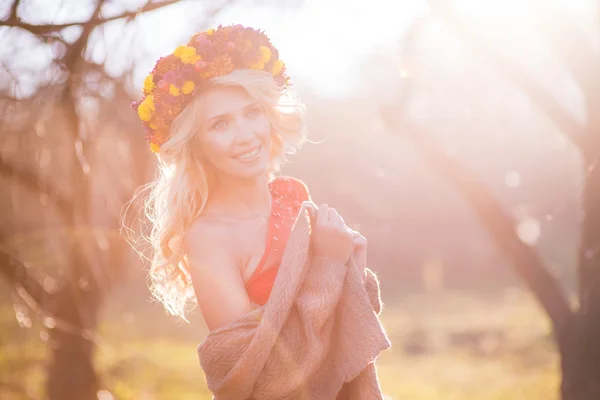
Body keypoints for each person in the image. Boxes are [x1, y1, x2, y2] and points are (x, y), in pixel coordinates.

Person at [127, 24, 383, 398]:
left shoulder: (293, 195)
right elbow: (254, 380)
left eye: (251, 112)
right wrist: (329, 263)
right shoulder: (208, 238)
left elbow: (344, 327)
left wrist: (350, 266)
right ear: (195, 145)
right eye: (220, 124)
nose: (245, 134)